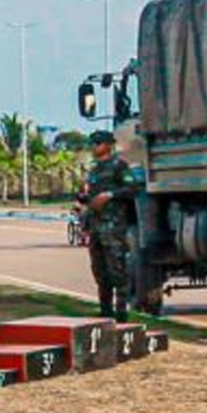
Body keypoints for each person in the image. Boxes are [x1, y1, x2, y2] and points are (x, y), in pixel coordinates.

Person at [85, 130, 139, 323]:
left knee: (118, 272)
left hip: (114, 229)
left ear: (108, 145)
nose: (93, 147)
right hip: (96, 229)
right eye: (92, 143)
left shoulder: (119, 166)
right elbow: (90, 198)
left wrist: (109, 195)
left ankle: (121, 313)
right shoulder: (94, 170)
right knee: (100, 273)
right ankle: (105, 312)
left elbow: (132, 189)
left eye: (97, 143)